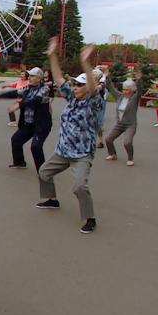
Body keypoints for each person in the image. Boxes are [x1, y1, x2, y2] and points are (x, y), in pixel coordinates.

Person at [36, 37, 98, 234]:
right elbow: (58, 77)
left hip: (81, 154)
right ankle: (52, 200)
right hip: (63, 151)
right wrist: (53, 55)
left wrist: (86, 63)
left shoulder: (92, 102)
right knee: (44, 173)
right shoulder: (71, 98)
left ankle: (90, 218)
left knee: (79, 187)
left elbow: (92, 86)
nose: (76, 87)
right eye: (75, 85)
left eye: (80, 85)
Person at [0, 67, 51, 172]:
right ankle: (19, 162)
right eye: (29, 75)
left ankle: (43, 172)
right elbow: (16, 93)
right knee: (16, 140)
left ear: (39, 78)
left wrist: (19, 105)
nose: (29, 77)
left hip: (41, 125)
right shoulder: (28, 88)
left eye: (32, 76)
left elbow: (35, 101)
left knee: (35, 147)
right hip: (28, 124)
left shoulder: (44, 89)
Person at [103, 70, 145, 166]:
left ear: (131, 90)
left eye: (127, 90)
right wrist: (107, 76)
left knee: (127, 142)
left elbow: (140, 90)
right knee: (108, 139)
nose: (125, 91)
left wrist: (139, 80)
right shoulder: (119, 96)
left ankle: (130, 158)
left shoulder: (135, 98)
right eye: (124, 89)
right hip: (119, 124)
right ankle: (112, 154)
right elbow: (111, 88)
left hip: (130, 125)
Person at [90, 69, 106, 148]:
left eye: (94, 75)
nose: (93, 76)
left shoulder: (101, 84)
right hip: (91, 103)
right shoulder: (89, 83)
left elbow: (99, 88)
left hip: (100, 104)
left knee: (98, 122)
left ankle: (100, 141)